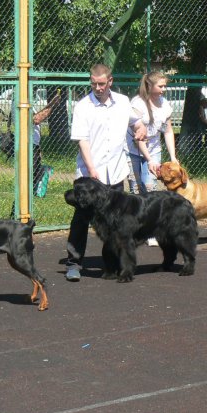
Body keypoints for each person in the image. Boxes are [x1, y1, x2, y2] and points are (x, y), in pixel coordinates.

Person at [64, 64, 146, 281]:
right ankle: (73, 262)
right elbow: (82, 140)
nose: (97, 87)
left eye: (101, 83)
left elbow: (136, 121)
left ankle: (114, 264)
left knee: (115, 223)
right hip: (92, 175)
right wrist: (92, 170)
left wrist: (140, 128)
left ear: (110, 81)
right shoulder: (83, 106)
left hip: (116, 172)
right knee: (81, 220)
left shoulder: (122, 101)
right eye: (93, 83)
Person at [127, 71, 178, 195]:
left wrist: (173, 157)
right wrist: (149, 160)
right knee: (136, 188)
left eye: (165, 86)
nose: (164, 89)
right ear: (150, 86)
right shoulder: (137, 103)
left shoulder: (164, 104)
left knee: (150, 188)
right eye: (160, 86)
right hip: (134, 150)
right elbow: (138, 137)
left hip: (154, 150)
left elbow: (168, 131)